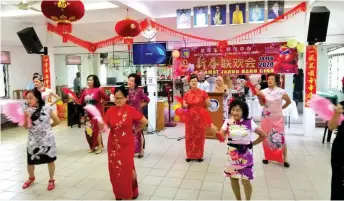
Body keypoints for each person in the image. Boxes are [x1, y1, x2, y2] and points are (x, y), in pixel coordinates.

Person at [100, 86, 148, 200]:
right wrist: (102, 126)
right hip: (113, 145)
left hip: (127, 145)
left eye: (120, 98)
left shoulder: (131, 110)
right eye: (116, 98)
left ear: (126, 98)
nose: (117, 100)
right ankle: (118, 193)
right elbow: (105, 126)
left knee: (127, 169)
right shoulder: (110, 111)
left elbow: (144, 122)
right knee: (114, 170)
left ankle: (129, 192)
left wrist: (135, 130)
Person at [218, 100, 267, 200]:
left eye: (238, 110)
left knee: (245, 181)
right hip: (232, 156)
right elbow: (221, 136)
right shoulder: (228, 122)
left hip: (246, 157)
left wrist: (252, 144)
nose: (234, 112)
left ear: (243, 111)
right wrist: (215, 132)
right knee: (233, 179)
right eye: (233, 109)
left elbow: (263, 135)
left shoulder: (249, 122)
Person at [22, 89, 60, 191]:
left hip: (47, 140)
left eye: (31, 98)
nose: (28, 100)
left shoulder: (47, 107)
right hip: (33, 140)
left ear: (38, 99)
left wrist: (48, 128)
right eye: (27, 98)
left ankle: (51, 180)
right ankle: (31, 177)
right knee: (30, 161)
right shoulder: (26, 109)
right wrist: (25, 117)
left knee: (50, 160)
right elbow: (26, 127)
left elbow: (57, 121)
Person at [258, 73, 291, 167]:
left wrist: (282, 108)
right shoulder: (263, 91)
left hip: (278, 118)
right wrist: (259, 97)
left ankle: (284, 158)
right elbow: (261, 104)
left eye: (272, 79)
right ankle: (266, 157)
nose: (269, 80)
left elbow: (288, 101)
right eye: (268, 79)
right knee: (266, 137)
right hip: (266, 118)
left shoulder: (281, 91)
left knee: (280, 138)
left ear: (276, 81)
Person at [70, 75, 110, 154]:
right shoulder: (85, 91)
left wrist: (101, 104)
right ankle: (93, 146)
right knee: (89, 130)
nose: (89, 81)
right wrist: (74, 99)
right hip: (88, 114)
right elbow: (80, 102)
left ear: (95, 81)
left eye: (91, 80)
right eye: (88, 80)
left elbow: (107, 98)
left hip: (96, 114)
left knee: (97, 130)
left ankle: (100, 146)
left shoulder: (98, 90)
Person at [183, 74, 217, 162]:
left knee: (200, 136)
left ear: (197, 82)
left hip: (200, 117)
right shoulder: (186, 94)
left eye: (195, 81)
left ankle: (199, 155)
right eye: (192, 81)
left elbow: (209, 104)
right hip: (190, 118)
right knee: (189, 136)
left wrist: (202, 107)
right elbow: (184, 105)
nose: (194, 82)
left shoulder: (203, 93)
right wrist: (185, 105)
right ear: (189, 83)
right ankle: (189, 155)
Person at [127, 73, 150, 158]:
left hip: (137, 115)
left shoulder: (139, 91)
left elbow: (147, 100)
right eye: (129, 80)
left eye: (131, 80)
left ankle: (141, 151)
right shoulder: (126, 91)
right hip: (128, 115)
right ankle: (131, 149)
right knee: (130, 132)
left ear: (135, 83)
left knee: (138, 132)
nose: (129, 82)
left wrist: (139, 106)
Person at [328, 103, 344, 200]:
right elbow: (331, 126)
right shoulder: (341, 106)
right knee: (338, 180)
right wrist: (337, 114)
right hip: (341, 147)